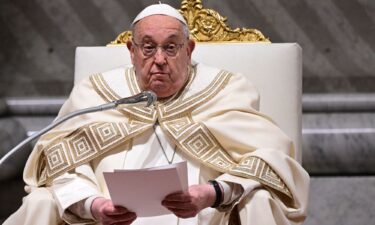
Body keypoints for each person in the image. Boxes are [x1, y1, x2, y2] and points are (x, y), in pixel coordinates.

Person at [4, 3, 309, 225]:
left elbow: (270, 159)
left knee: (259, 200)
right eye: (148, 48)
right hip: (106, 221)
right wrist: (94, 205)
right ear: (131, 51)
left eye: (171, 47)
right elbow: (60, 165)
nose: (159, 60)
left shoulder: (226, 89)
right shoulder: (96, 93)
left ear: (189, 50)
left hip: (207, 218)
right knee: (39, 202)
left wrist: (212, 192)